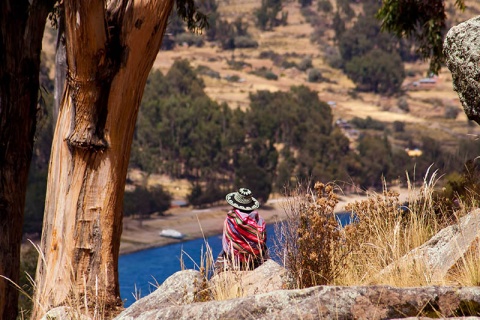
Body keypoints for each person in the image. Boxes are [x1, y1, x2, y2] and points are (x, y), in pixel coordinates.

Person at [214, 188, 268, 273]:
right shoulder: (260, 221)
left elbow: (228, 243)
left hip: (234, 259)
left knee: (220, 259)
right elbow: (262, 241)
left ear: (235, 204)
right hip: (256, 258)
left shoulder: (231, 219)